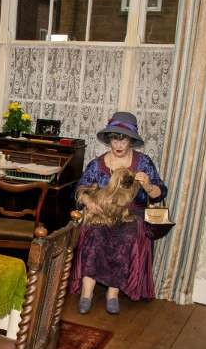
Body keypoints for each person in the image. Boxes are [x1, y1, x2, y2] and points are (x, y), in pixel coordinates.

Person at [70, 112, 167, 314]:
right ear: (109, 140)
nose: (119, 145)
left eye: (123, 140)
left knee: (127, 237)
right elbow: (80, 189)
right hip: (102, 213)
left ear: (131, 141)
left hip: (132, 214)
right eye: (115, 139)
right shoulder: (97, 164)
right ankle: (86, 293)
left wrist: (148, 186)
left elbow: (160, 194)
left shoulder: (143, 163)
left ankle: (112, 294)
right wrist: (89, 202)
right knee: (94, 234)